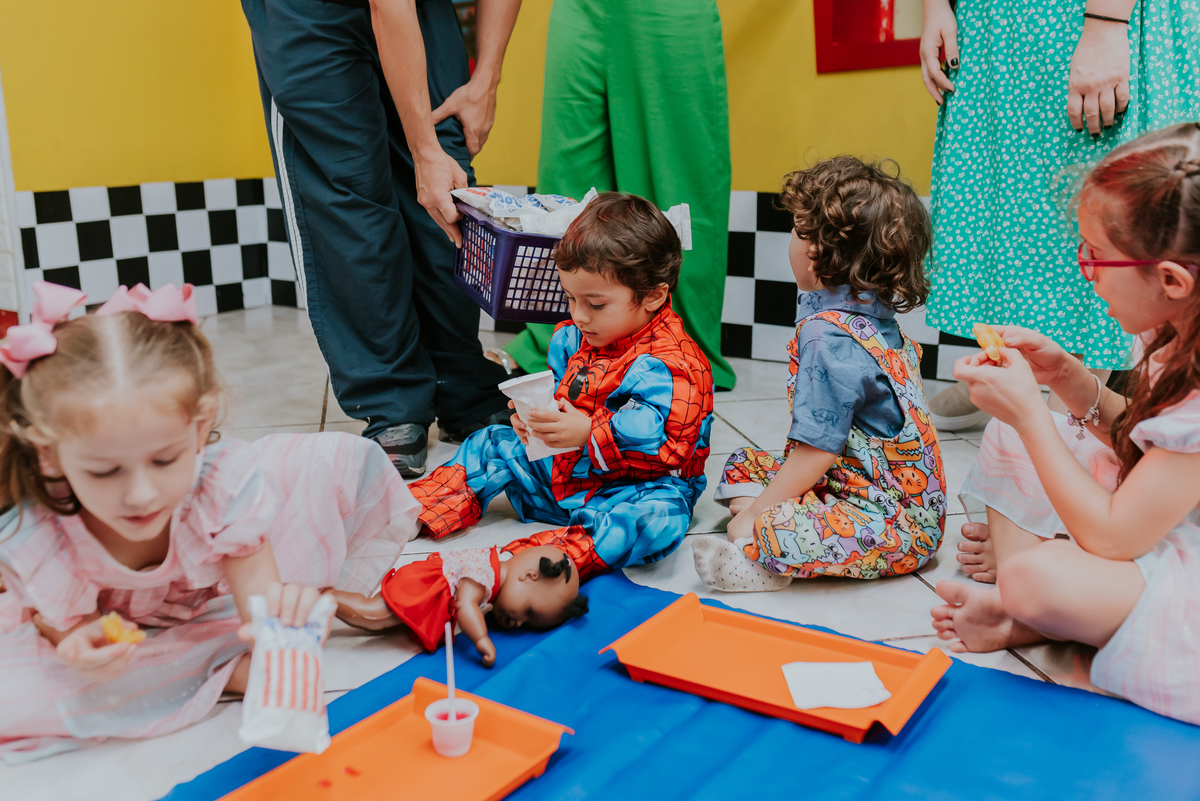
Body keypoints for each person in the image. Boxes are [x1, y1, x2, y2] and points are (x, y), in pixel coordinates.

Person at [0, 283, 419, 762]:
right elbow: (72, 624)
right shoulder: (41, 531)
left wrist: (280, 633)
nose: (142, 494)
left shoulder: (220, 484)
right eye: (105, 471)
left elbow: (257, 604)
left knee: (340, 464)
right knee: (18, 694)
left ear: (199, 429)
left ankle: (207, 659)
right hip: (128, 622)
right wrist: (78, 644)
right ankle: (219, 669)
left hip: (212, 596)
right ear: (49, 456)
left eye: (165, 460)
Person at [932, 124, 1200, 725]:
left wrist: (1031, 414)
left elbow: (1115, 537)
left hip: (1165, 550)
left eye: (1098, 256)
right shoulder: (1174, 341)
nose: (1086, 271)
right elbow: (1141, 441)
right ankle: (1034, 606)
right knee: (1010, 433)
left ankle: (1023, 610)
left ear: (1172, 281)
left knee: (1037, 575)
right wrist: (1069, 380)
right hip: (1165, 525)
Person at [240, 0, 524, 477]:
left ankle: (460, 383)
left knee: (448, 189)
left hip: (424, 8)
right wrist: (423, 152)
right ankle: (392, 400)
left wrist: (486, 79)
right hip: (308, 13)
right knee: (349, 195)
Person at [918, 0, 1200, 431]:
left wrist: (1106, 24)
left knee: (1095, 197)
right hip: (1000, 20)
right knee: (1009, 192)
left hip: (1083, 15)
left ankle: (1068, 406)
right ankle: (1018, 364)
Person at [409, 193, 714, 578]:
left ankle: (560, 556)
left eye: (596, 304)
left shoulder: (673, 365)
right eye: (570, 298)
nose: (579, 315)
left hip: (629, 490)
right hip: (565, 478)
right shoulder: (571, 339)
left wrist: (588, 432)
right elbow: (560, 402)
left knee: (659, 518)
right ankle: (415, 514)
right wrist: (535, 424)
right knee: (491, 443)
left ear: (654, 295)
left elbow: (663, 446)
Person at [693, 157, 946, 591]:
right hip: (860, 489)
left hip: (895, 526)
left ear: (815, 254)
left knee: (765, 528)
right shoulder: (872, 319)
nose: (790, 240)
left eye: (796, 230)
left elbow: (816, 453)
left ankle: (766, 555)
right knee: (743, 464)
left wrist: (755, 516)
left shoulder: (826, 337)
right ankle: (793, 514)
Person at [500, 0, 737, 391]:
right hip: (578, 6)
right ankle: (557, 346)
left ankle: (679, 353)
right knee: (568, 179)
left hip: (664, 10)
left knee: (675, 179)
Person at [333, 544, 588, 667]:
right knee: (374, 615)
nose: (519, 622)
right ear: (529, 576)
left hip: (429, 590)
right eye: (528, 611)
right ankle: (325, 599)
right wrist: (480, 639)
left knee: (387, 621)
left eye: (529, 623)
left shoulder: (495, 573)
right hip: (422, 587)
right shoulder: (485, 572)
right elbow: (466, 605)